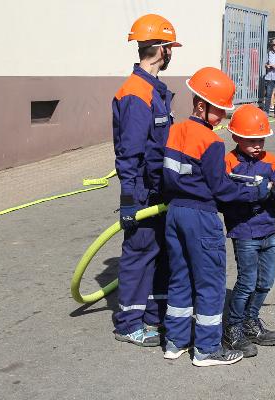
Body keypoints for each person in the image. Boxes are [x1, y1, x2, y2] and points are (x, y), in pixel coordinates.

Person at [161, 67, 274, 367]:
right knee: (210, 282)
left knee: (180, 278)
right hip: (201, 217)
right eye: (220, 110)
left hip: (175, 213)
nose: (223, 116)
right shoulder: (212, 142)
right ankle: (207, 349)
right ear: (201, 106)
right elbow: (221, 189)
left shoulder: (174, 132)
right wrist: (255, 192)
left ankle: (175, 341)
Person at [111, 14, 181, 347]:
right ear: (162, 49)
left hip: (159, 189)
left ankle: (153, 317)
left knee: (160, 252)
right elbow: (130, 154)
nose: (172, 53)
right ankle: (128, 324)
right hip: (142, 192)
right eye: (171, 47)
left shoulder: (153, 90)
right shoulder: (136, 94)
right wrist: (128, 199)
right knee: (139, 254)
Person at [221, 104, 275, 358]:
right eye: (251, 140)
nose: (257, 145)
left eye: (261, 139)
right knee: (247, 283)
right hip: (244, 233)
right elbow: (224, 198)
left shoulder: (271, 161)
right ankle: (233, 329)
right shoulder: (228, 162)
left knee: (265, 282)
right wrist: (254, 195)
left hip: (268, 231)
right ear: (236, 137)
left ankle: (251, 322)